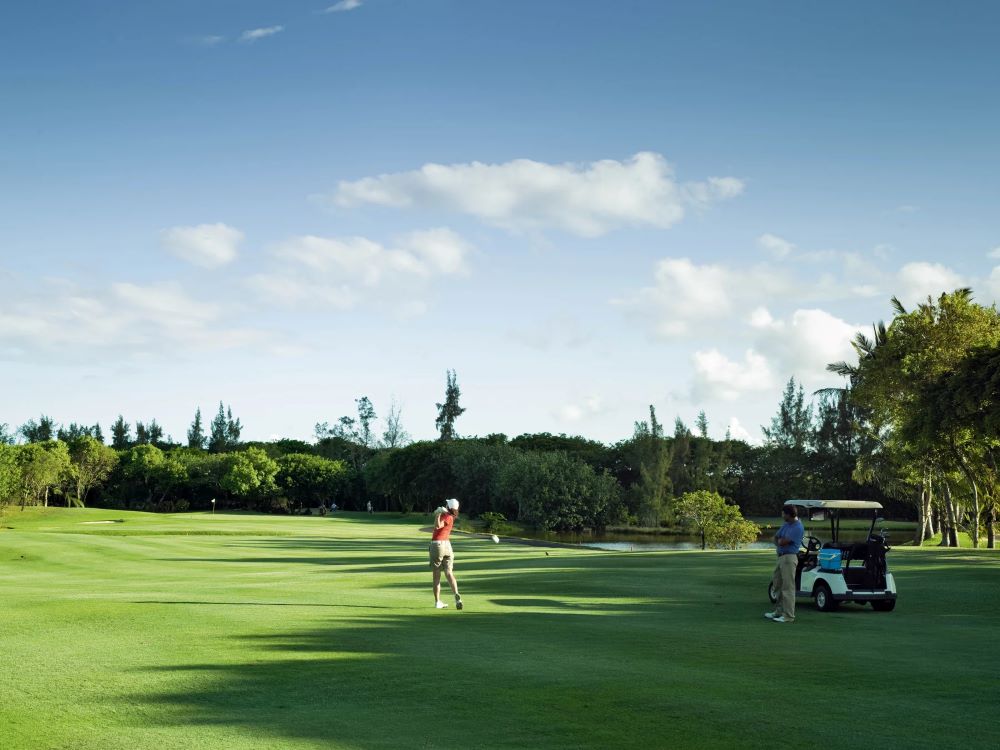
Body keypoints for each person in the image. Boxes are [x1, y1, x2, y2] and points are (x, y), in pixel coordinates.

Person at [766, 505, 804, 623]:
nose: (782, 515)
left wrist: (781, 542)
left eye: (783, 513)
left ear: (788, 514)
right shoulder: (786, 525)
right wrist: (780, 542)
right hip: (781, 557)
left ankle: (788, 616)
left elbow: (784, 541)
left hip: (789, 558)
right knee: (777, 584)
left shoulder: (798, 527)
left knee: (788, 587)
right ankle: (779, 611)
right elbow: (776, 538)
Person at [428, 498, 463, 610]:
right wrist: (440, 512)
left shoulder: (446, 516)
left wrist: (438, 514)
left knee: (436, 575)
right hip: (448, 545)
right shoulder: (451, 516)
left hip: (437, 545)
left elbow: (437, 526)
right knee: (449, 572)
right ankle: (456, 594)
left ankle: (438, 602)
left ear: (448, 506)